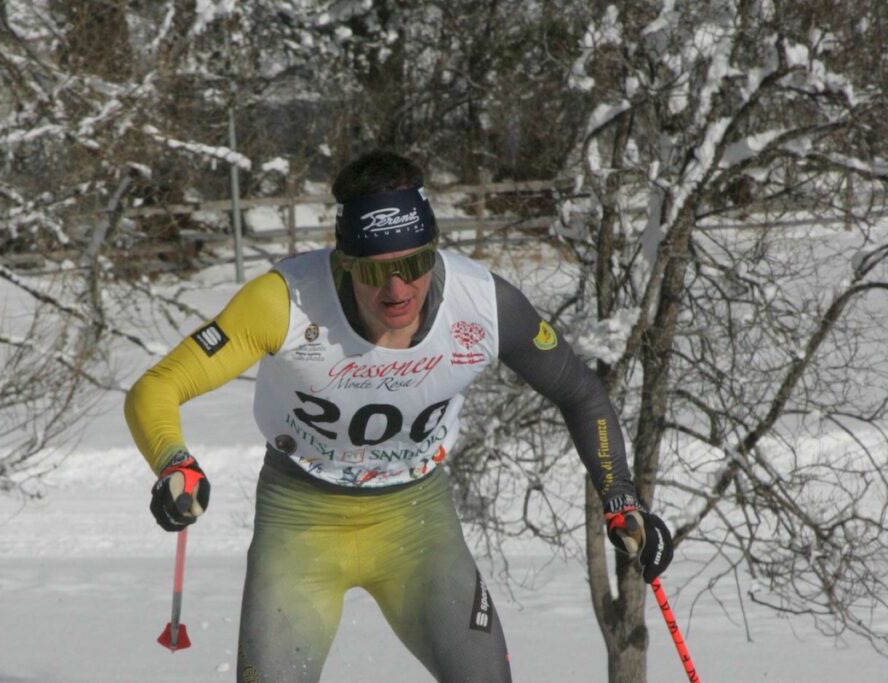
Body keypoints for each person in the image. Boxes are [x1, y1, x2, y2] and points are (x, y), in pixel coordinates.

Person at [124, 150, 673, 683]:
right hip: (300, 522)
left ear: (434, 249)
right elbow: (156, 387)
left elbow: (581, 393)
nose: (398, 290)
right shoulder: (284, 301)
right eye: (376, 272)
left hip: (417, 524)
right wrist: (175, 462)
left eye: (415, 264)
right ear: (342, 263)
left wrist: (620, 494)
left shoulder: (482, 304)